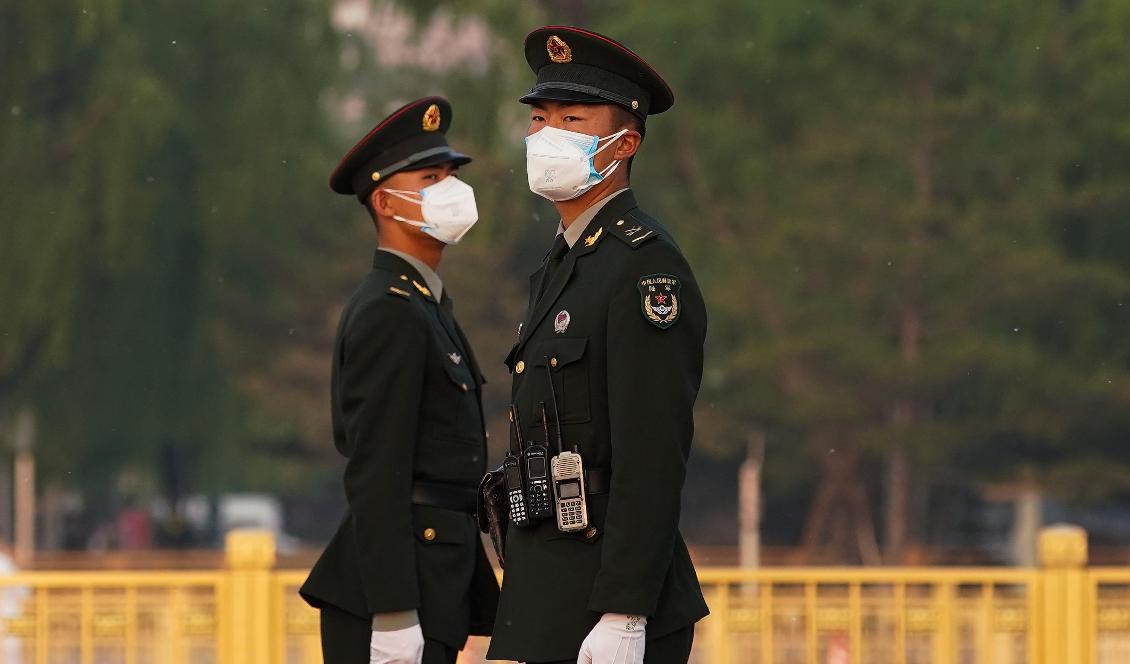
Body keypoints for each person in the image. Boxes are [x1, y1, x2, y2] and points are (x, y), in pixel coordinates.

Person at [486, 26, 709, 664]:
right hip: (549, 592)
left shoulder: (642, 269)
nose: (545, 134)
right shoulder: (566, 263)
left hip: (603, 605)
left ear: (623, 143)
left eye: (572, 119)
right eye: (539, 117)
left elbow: (651, 451)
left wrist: (626, 610)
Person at [300, 96, 499, 664]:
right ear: (386, 201)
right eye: (431, 177)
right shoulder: (392, 310)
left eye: (452, 175)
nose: (451, 189)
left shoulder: (425, 304)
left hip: (432, 575)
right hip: (398, 589)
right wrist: (392, 612)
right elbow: (377, 467)